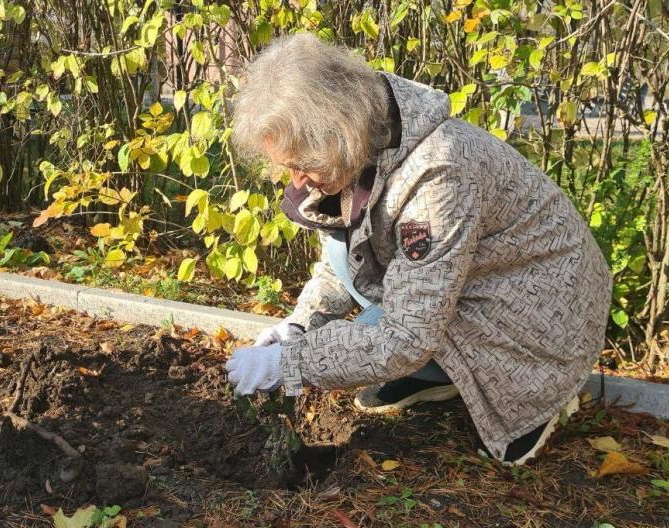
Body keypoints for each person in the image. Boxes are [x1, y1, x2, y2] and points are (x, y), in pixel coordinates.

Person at [224, 34, 611, 466]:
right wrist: (298, 327)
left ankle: (531, 397)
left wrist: (290, 362)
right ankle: (443, 374)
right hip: (476, 281)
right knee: (356, 287)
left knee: (385, 332)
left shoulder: (439, 173)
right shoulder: (360, 141)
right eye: (287, 167)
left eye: (301, 166)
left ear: (338, 135)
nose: (295, 182)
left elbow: (408, 337)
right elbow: (341, 265)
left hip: (542, 312)